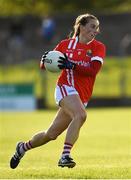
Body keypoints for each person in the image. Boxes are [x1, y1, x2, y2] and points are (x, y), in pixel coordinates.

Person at [10, 13, 106, 169]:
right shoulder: (65, 45)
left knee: (51, 134)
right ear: (81, 26)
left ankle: (22, 148)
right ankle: (65, 156)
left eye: (97, 28)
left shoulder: (98, 47)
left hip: (81, 97)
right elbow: (45, 63)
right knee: (81, 115)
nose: (96, 30)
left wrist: (72, 65)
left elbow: (93, 70)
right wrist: (45, 60)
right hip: (65, 87)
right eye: (92, 26)